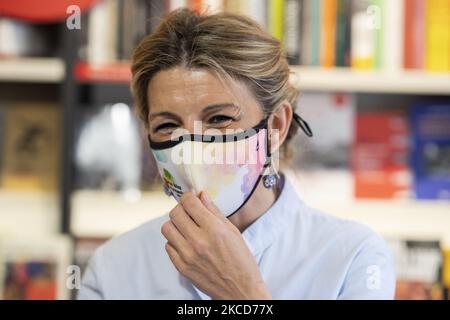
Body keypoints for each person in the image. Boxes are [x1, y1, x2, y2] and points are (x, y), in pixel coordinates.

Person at [78, 8, 395, 300]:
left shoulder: (355, 258)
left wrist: (243, 294)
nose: (191, 150)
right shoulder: (113, 268)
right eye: (168, 125)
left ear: (277, 125)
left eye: (219, 119)